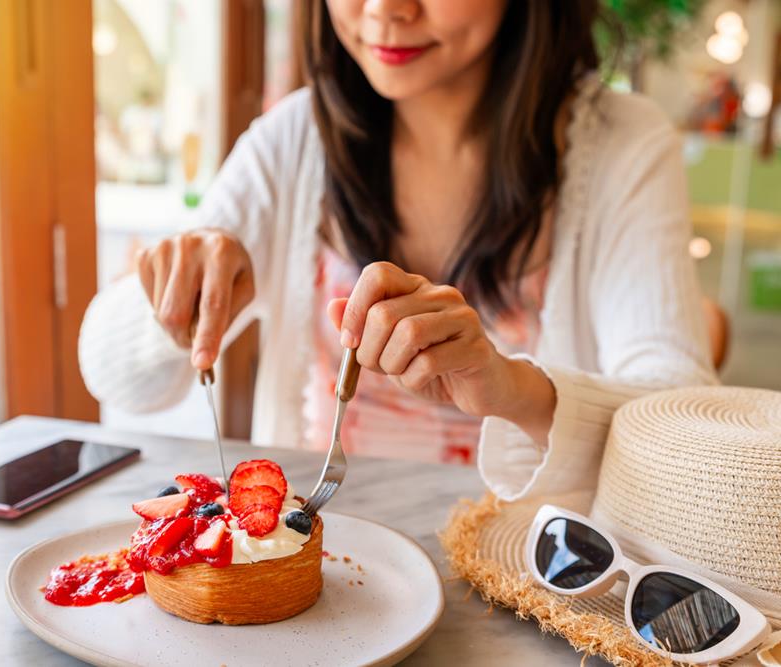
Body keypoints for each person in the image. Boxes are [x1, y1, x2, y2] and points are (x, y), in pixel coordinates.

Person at [79, 0, 715, 498]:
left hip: (533, 589)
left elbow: (682, 424)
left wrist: (514, 389)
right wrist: (175, 301)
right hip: (325, 580)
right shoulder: (293, 143)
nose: (386, 9)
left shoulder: (620, 147)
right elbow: (116, 381)